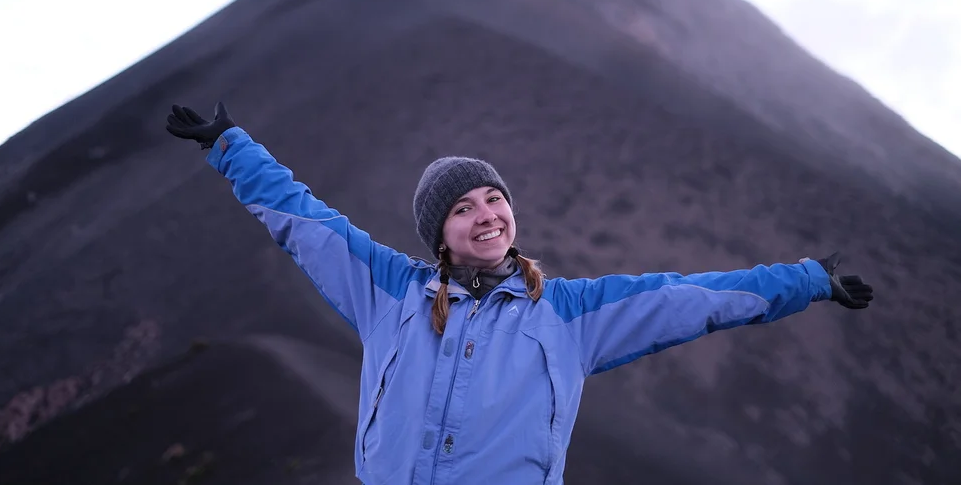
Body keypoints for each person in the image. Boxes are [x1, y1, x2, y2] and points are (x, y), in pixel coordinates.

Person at [165, 101, 873, 485]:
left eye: (494, 197)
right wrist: (231, 145)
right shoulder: (390, 293)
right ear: (439, 232)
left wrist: (807, 279)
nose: (487, 213)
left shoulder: (568, 315)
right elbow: (307, 222)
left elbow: (693, 297)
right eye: (464, 206)